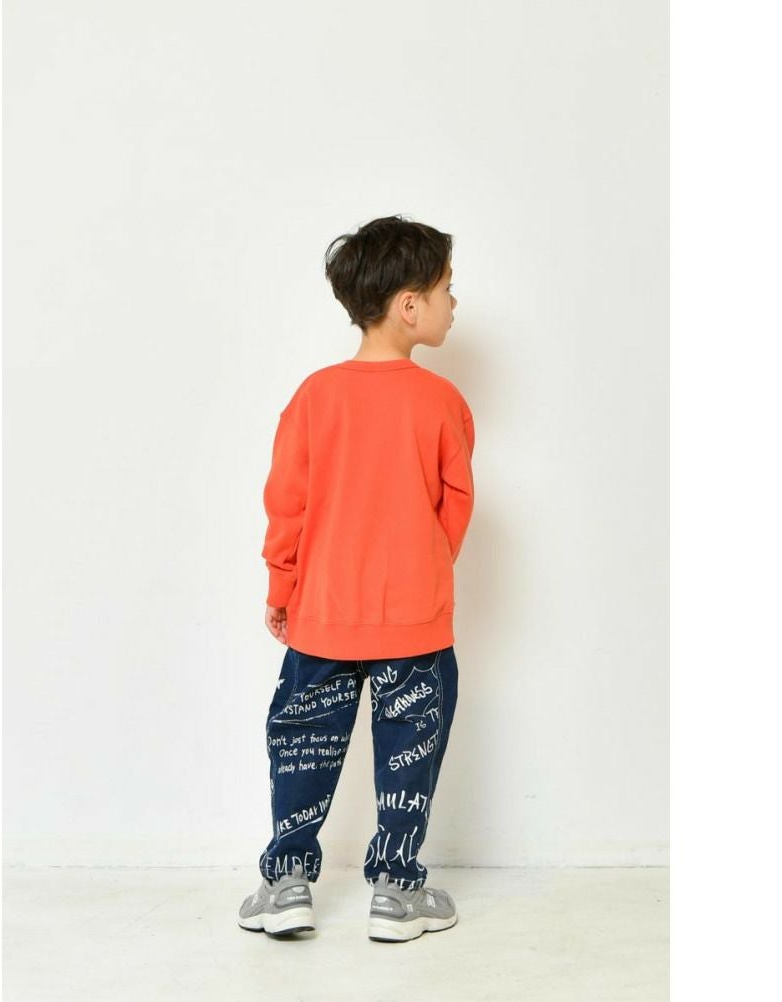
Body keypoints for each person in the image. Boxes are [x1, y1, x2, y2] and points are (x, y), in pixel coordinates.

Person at [238, 214, 475, 943]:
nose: (454, 303)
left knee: (302, 747)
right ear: (410, 305)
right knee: (410, 754)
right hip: (415, 622)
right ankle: (397, 892)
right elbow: (455, 507)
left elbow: (287, 505)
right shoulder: (442, 402)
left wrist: (283, 590)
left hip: (324, 617)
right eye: (446, 289)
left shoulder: (315, 396)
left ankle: (286, 884)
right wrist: (422, 570)